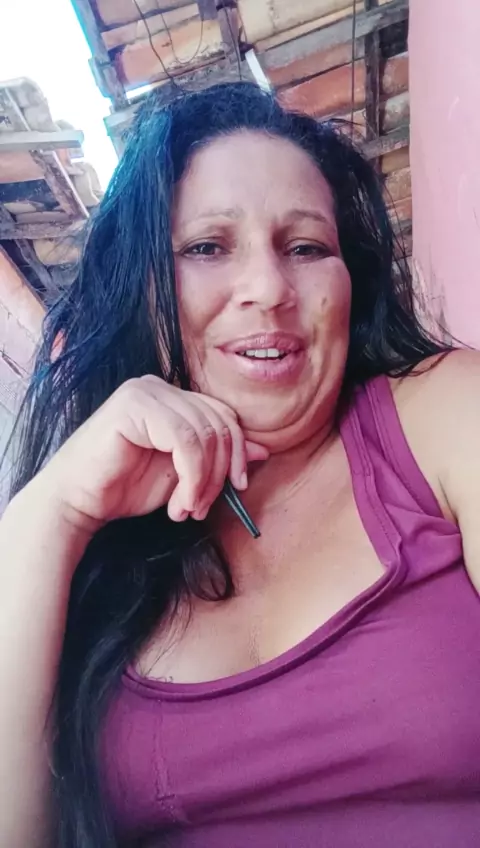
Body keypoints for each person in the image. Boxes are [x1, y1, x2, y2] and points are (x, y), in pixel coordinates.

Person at [1, 81, 480, 848]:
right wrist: (51, 512)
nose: (268, 289)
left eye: (306, 247)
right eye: (207, 247)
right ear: (141, 292)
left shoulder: (446, 414)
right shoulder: (91, 544)